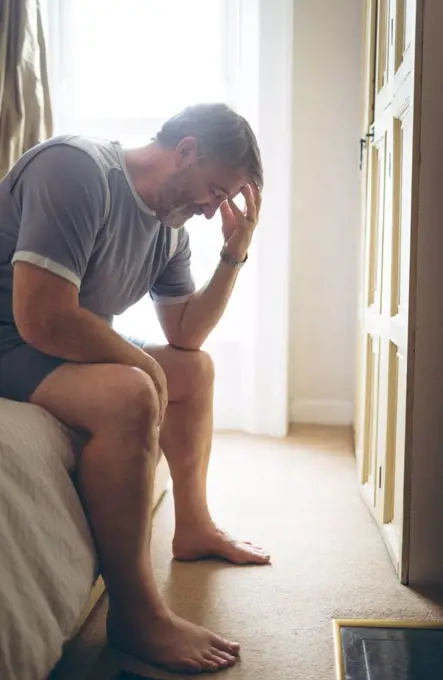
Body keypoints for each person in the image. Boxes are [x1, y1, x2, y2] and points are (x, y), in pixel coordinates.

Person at [0, 103, 269, 673]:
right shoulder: (76, 169)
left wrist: (235, 250)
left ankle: (193, 526)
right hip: (7, 340)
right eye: (214, 192)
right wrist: (143, 371)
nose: (209, 211)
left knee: (193, 372)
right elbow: (41, 319)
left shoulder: (170, 232)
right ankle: (137, 613)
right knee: (131, 393)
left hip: (41, 345)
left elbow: (187, 334)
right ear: (186, 150)